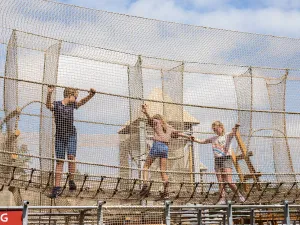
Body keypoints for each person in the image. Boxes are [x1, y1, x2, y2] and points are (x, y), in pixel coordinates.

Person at [46, 86, 96, 198]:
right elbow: (48, 106)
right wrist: (49, 93)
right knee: (59, 161)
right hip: (60, 136)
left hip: (71, 135)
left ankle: (71, 180)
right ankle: (57, 188)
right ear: (70, 95)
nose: (77, 99)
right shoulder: (57, 104)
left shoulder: (72, 105)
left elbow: (82, 102)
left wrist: (91, 95)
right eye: (75, 97)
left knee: (71, 156)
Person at [140, 103, 192, 199]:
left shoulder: (156, 122)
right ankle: (166, 191)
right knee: (163, 171)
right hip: (165, 148)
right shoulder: (169, 127)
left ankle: (145, 183)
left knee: (146, 166)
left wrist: (145, 111)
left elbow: (150, 118)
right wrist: (189, 136)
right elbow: (179, 133)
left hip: (157, 145)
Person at [192, 121, 245, 204]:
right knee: (220, 181)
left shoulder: (227, 135)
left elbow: (234, 132)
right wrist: (194, 139)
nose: (215, 131)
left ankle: (239, 195)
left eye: (216, 129)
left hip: (226, 158)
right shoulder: (213, 138)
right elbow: (203, 141)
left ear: (221, 127)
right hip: (217, 159)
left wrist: (236, 126)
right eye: (214, 130)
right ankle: (222, 199)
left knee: (228, 180)